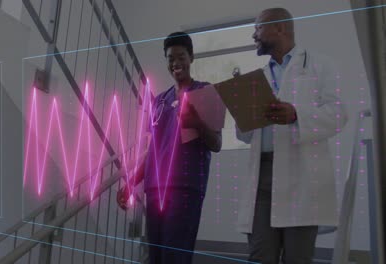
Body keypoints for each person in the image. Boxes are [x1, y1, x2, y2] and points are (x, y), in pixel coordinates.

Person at [235, 8, 348, 263]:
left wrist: (296, 115)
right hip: (261, 178)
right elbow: (244, 136)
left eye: (258, 28)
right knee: (259, 255)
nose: (254, 35)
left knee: (298, 258)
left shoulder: (320, 65)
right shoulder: (258, 77)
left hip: (302, 176)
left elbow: (339, 114)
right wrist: (241, 109)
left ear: (279, 28)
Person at [117, 32, 222, 263]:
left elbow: (216, 143)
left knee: (175, 257)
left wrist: (197, 124)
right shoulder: (159, 102)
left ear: (191, 57)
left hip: (186, 188)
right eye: (170, 58)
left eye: (181, 56)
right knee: (156, 258)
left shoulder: (205, 92)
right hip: (155, 189)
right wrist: (131, 182)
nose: (176, 63)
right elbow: (152, 149)